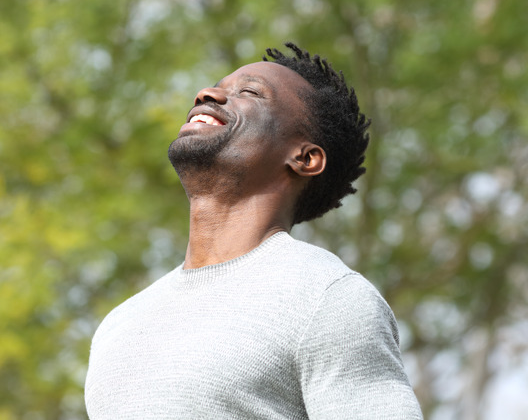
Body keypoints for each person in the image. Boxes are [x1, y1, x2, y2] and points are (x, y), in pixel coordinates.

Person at [84, 43, 422, 419]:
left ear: (304, 158)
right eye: (216, 86)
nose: (207, 94)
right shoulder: (120, 324)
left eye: (249, 92)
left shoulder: (327, 298)